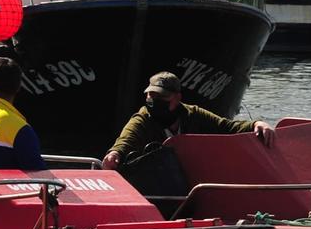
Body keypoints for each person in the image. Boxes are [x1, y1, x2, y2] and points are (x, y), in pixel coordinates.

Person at [101, 71, 275, 169]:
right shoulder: (143, 119)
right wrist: (115, 154)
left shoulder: (193, 114)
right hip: (155, 181)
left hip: (191, 175)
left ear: (177, 98)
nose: (154, 101)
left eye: (162, 97)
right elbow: (125, 141)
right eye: (151, 96)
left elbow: (227, 127)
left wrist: (256, 124)